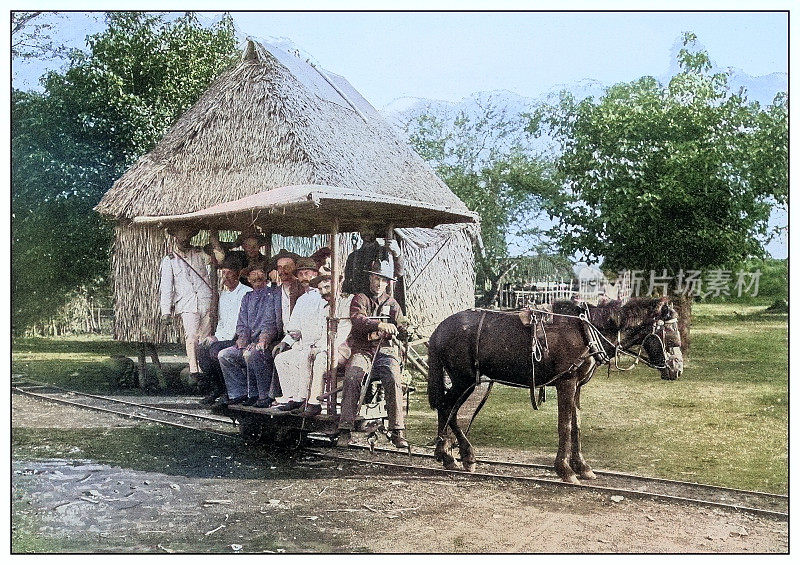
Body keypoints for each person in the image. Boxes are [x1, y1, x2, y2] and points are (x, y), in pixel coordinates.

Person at [337, 259, 409, 448]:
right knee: (353, 375)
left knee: (394, 377)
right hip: (363, 350)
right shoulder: (360, 298)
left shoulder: (392, 302)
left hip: (384, 351)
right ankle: (345, 428)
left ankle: (397, 430)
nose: (379, 284)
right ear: (370, 278)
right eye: (376, 278)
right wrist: (379, 324)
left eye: (383, 281)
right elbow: (358, 319)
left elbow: (401, 324)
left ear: (388, 283)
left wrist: (403, 329)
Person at [159, 226, 223, 379]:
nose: (184, 240)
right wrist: (166, 311)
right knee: (192, 336)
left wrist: (214, 239)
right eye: (181, 237)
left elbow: (219, 259)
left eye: (187, 237)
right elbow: (166, 287)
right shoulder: (170, 260)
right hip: (187, 303)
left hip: (205, 299)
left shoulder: (200, 253)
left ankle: (206, 369)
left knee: (206, 337)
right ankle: (194, 369)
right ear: (175, 238)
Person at [216, 265, 282, 408]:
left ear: (266, 276)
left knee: (252, 355)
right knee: (224, 355)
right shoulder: (247, 297)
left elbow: (270, 322)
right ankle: (239, 393)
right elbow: (241, 323)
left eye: (260, 273)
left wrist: (262, 340)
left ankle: (261, 395)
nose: (256, 276)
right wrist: (243, 339)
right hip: (250, 342)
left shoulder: (273, 294)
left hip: (269, 340)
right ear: (248, 279)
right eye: (252, 274)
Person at [196, 254, 251, 405]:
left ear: (238, 273)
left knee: (215, 352)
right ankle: (217, 388)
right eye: (223, 273)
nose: (225, 276)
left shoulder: (246, 292)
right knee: (202, 349)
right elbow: (222, 321)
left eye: (229, 273)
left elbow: (242, 321)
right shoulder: (224, 295)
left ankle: (229, 390)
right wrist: (215, 336)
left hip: (238, 336)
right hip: (224, 336)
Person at [342, 226, 404, 297]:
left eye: (370, 229)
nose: (367, 233)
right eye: (364, 229)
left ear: (375, 231)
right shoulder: (353, 256)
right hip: (359, 300)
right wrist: (346, 295)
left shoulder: (384, 252)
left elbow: (399, 273)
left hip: (380, 299)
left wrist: (397, 254)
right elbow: (347, 281)